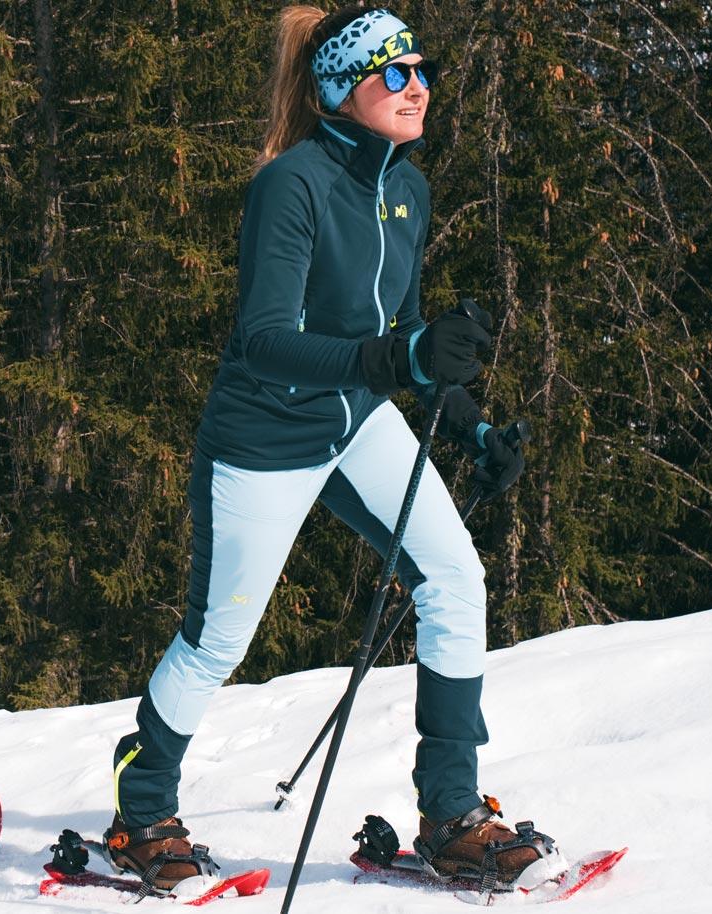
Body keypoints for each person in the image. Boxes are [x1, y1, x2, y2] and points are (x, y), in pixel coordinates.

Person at [104, 4, 546, 893]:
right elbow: (264, 337)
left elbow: (404, 331)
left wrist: (472, 427)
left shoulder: (407, 188)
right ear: (343, 90)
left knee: (456, 578)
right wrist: (395, 357)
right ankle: (141, 806)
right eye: (395, 73)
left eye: (420, 69)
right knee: (218, 639)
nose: (417, 85)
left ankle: (452, 813)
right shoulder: (292, 184)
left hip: (357, 417)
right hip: (267, 434)